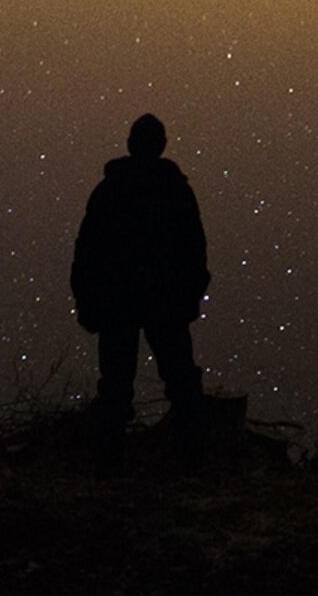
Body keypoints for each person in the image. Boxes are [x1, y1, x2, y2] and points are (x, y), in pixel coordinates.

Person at [69, 112, 212, 439]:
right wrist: (189, 295)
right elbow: (195, 249)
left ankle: (111, 461)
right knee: (180, 381)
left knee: (117, 387)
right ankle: (190, 454)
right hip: (163, 300)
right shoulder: (176, 191)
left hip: (120, 301)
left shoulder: (110, 190)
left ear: (130, 144)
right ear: (162, 145)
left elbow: (87, 250)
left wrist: (87, 300)